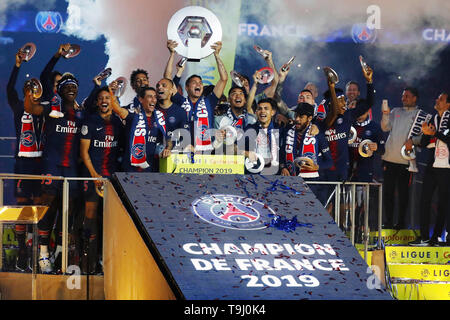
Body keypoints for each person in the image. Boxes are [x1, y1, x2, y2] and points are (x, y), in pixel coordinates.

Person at [24, 72, 85, 274]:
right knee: (48, 209)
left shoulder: (80, 115)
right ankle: (43, 253)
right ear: (59, 90)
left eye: (74, 87)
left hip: (72, 171)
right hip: (51, 167)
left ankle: (59, 254)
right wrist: (29, 94)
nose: (71, 89)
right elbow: (31, 108)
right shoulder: (52, 109)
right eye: (66, 86)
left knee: (67, 214)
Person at [6, 47, 44, 272]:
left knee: (38, 205)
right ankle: (21, 250)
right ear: (24, 91)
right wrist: (18, 65)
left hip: (39, 162)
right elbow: (9, 88)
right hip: (22, 162)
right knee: (22, 206)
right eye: (28, 89)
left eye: (35, 89)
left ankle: (37, 250)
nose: (32, 92)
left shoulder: (42, 108)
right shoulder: (18, 106)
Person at [79, 86, 123, 273]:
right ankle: (88, 261)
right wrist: (94, 175)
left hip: (111, 180)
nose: (104, 100)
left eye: (108, 97)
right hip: (93, 178)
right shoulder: (90, 122)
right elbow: (84, 153)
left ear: (112, 101)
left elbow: (122, 150)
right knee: (90, 217)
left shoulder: (118, 124)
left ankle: (108, 261)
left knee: (110, 220)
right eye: (101, 98)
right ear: (97, 102)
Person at [170, 41, 228, 152]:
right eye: (194, 82)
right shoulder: (180, 101)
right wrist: (174, 59)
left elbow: (224, 79)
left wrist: (217, 55)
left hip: (205, 152)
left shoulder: (209, 102)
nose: (198, 84)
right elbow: (168, 83)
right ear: (186, 87)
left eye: (200, 82)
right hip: (182, 150)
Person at [381, 87, 425, 230]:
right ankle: (388, 222)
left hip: (406, 161)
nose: (403, 98)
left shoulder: (421, 116)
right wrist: (386, 114)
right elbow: (384, 127)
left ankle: (400, 223)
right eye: (402, 96)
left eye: (407, 96)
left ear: (414, 98)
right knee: (388, 192)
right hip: (389, 158)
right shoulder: (395, 111)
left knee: (403, 194)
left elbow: (425, 138)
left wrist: (414, 141)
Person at [409, 92, 450, 246]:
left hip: (447, 167)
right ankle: (424, 237)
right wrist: (426, 134)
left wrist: (435, 133)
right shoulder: (433, 118)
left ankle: (438, 237)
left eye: (440, 99)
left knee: (443, 203)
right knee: (424, 201)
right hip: (433, 166)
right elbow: (425, 143)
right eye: (437, 98)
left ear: (448, 104)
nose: (436, 100)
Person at [110, 86, 171, 172]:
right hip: (130, 169)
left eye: (155, 97)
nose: (153, 100)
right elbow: (117, 109)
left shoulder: (160, 118)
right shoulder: (133, 115)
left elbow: (169, 138)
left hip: (150, 169)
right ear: (141, 99)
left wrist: (168, 148)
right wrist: (111, 91)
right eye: (150, 96)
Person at [280, 102, 332, 200]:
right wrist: (283, 167)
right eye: (296, 116)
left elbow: (329, 162)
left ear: (309, 118)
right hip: (290, 183)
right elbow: (282, 154)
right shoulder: (288, 131)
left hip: (311, 185)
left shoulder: (318, 135)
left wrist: (316, 167)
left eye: (301, 116)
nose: (297, 119)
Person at [243, 98, 281, 175]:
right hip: (253, 173)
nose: (262, 111)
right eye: (259, 109)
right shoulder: (250, 129)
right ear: (256, 112)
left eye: (266, 108)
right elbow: (235, 147)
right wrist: (246, 153)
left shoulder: (280, 130)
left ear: (272, 112)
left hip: (274, 174)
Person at [155, 78, 189, 148]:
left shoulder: (180, 112)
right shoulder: (151, 109)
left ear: (171, 91)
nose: (159, 87)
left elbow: (184, 137)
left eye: (164, 85)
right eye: (157, 86)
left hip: (172, 154)